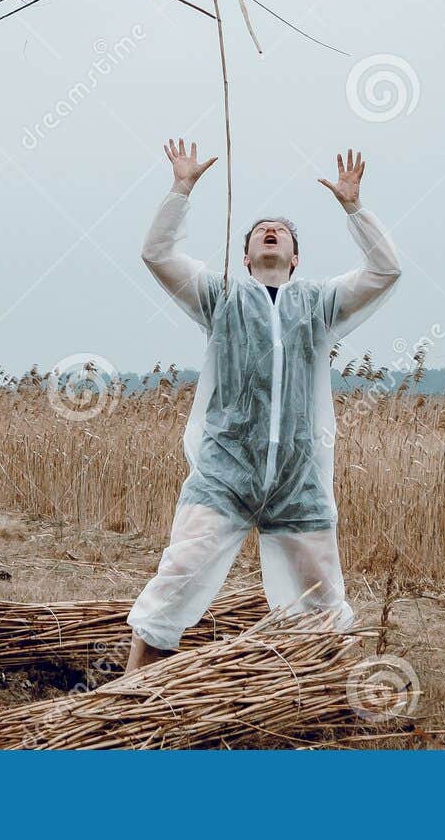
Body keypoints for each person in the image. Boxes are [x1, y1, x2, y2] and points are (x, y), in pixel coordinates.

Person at [124, 138, 402, 673]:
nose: (270, 231)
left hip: (297, 482)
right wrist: (181, 188)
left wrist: (354, 209)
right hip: (225, 476)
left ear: (295, 258)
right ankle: (127, 697)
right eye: (258, 231)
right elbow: (157, 254)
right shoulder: (221, 297)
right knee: (176, 582)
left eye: (282, 232)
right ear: (246, 254)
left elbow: (385, 271)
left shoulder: (319, 305)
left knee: (323, 604)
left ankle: (333, 706)